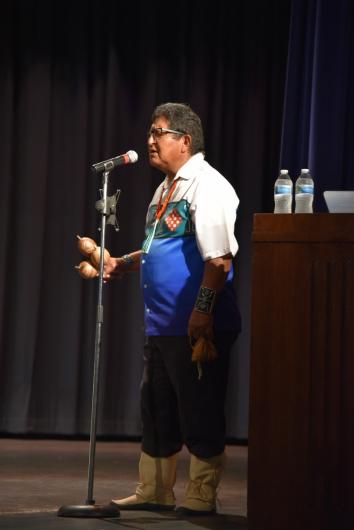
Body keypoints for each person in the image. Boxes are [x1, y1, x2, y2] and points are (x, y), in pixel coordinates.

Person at [104, 102, 241, 515]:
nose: (150, 140)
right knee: (157, 408)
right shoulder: (166, 187)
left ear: (185, 140)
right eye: (150, 132)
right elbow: (154, 248)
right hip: (162, 325)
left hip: (196, 326)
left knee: (199, 408)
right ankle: (156, 489)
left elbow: (218, 261)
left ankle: (201, 495)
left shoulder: (208, 185)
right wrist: (121, 263)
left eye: (158, 132)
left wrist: (201, 314)